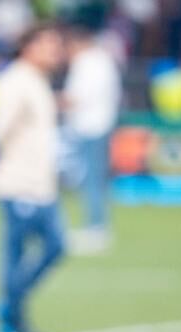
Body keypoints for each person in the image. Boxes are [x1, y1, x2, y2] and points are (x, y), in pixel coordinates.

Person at [0, 24, 65, 332]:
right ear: (28, 47)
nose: (56, 52)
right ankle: (9, 322)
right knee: (18, 253)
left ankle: (10, 309)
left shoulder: (36, 81)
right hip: (18, 183)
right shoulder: (15, 81)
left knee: (55, 246)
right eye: (49, 45)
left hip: (41, 184)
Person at [64, 25, 121, 254]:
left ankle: (96, 227)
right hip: (101, 124)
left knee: (92, 179)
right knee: (95, 177)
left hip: (90, 126)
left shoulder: (87, 63)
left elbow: (78, 96)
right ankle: (96, 225)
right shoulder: (104, 60)